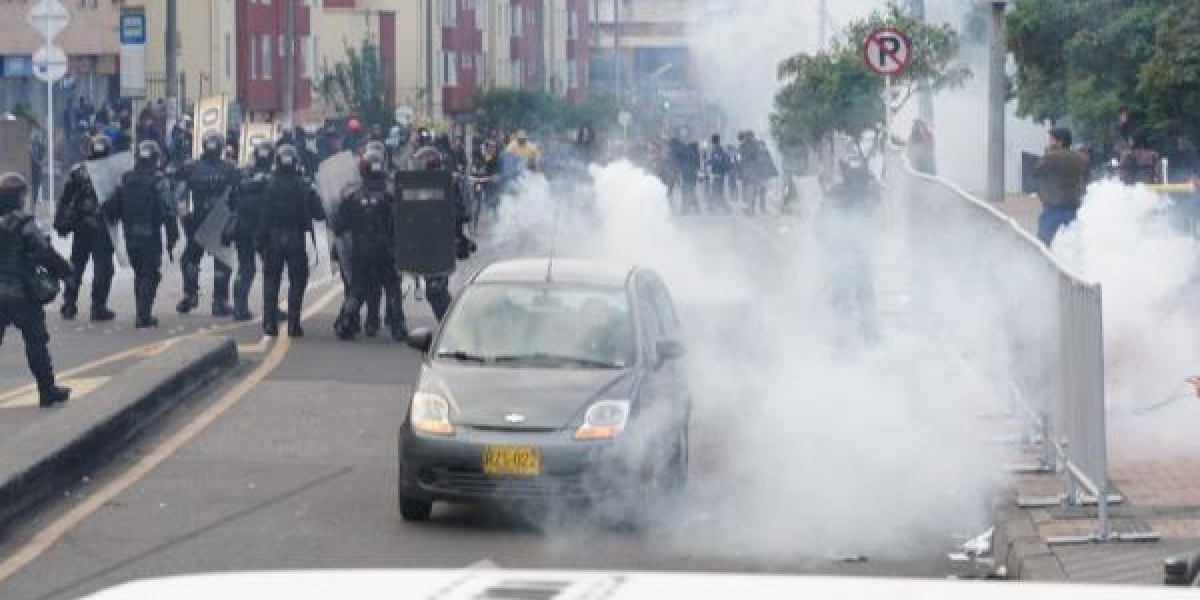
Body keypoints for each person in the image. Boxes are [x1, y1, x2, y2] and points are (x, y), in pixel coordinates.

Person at [0, 173, 72, 406]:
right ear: (18, 197)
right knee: (35, 342)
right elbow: (45, 253)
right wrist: (65, 271)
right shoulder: (25, 224)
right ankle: (47, 390)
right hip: (22, 294)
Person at [332, 145, 405, 341]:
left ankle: (346, 322)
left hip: (361, 251)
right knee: (391, 287)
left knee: (357, 288)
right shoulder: (393, 195)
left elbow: (338, 226)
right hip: (386, 251)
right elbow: (404, 222)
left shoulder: (352, 196)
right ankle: (397, 327)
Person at [105, 141, 179, 328]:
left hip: (130, 235)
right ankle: (143, 315)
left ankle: (142, 312)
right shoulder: (158, 180)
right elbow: (168, 210)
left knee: (140, 273)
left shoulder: (126, 179)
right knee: (150, 274)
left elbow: (112, 207)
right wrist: (172, 235)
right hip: (150, 235)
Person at [256, 144, 325, 337]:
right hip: (296, 239)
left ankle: (270, 324)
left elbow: (262, 215)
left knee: (271, 281)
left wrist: (259, 241)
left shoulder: (268, 185)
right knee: (297, 281)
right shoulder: (304, 185)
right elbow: (319, 214)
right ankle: (294, 324)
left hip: (273, 239)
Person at [816, 157, 882, 348]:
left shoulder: (843, 194)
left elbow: (819, 225)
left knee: (853, 293)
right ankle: (858, 335)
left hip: (847, 252)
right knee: (856, 293)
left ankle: (852, 336)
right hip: (846, 252)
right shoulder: (857, 195)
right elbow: (821, 225)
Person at [175, 131, 240, 316]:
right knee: (220, 262)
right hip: (218, 221)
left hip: (199, 219)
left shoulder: (191, 167)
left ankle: (190, 295)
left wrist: (185, 217)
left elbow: (178, 193)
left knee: (190, 260)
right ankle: (218, 302)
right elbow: (238, 195)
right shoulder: (230, 168)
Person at [54, 134, 116, 321]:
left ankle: (69, 304)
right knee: (103, 267)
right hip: (103, 227)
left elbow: (64, 200)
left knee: (77, 265)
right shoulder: (115, 172)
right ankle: (97, 307)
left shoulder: (78, 171)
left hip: (83, 226)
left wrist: (60, 223)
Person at [228, 141, 274, 321]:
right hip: (264, 229)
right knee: (270, 270)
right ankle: (271, 310)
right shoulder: (275, 176)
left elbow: (231, 198)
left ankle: (239, 309)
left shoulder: (242, 174)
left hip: (243, 227)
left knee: (245, 267)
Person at [1034, 127, 1089, 246]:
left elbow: (1036, 171)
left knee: (1044, 245)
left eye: (1051, 139)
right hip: (1074, 209)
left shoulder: (1052, 157)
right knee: (1070, 244)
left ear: (1060, 141)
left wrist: (1047, 153)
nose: (1048, 142)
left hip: (1054, 209)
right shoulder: (1080, 158)